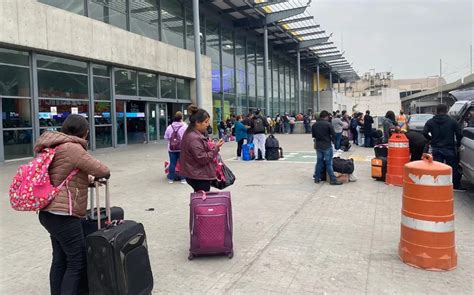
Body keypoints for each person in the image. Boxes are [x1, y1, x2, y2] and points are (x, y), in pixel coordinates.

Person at [35, 114, 110, 295]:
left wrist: (86, 179)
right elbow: (103, 170)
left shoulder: (55, 145)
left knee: (60, 258)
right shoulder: (72, 148)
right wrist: (94, 176)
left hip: (48, 212)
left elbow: (65, 174)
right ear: (84, 133)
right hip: (63, 214)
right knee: (77, 260)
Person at [180, 105, 224, 192]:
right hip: (198, 176)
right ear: (197, 122)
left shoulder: (193, 134)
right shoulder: (194, 138)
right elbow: (202, 158)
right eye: (206, 122)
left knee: (200, 199)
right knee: (202, 201)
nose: (208, 125)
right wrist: (216, 148)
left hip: (196, 174)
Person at [423, 104, 465, 191]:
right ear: (446, 111)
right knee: (452, 168)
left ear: (436, 111)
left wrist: (431, 139)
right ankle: (455, 185)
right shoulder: (452, 121)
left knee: (437, 168)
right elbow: (459, 134)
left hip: (436, 148)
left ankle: (437, 185)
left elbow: (424, 132)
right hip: (449, 148)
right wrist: (458, 144)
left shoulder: (430, 122)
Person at [312, 110, 343, 185]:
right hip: (327, 145)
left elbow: (314, 136)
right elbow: (334, 135)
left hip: (318, 146)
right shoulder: (328, 124)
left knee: (319, 162)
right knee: (329, 163)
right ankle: (333, 179)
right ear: (326, 116)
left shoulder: (314, 125)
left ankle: (317, 178)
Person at [164, 111, 187, 184]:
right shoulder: (185, 126)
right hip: (182, 148)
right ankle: (183, 179)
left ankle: (171, 179)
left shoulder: (169, 127)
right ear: (181, 118)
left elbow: (166, 137)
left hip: (171, 149)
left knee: (172, 163)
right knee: (182, 163)